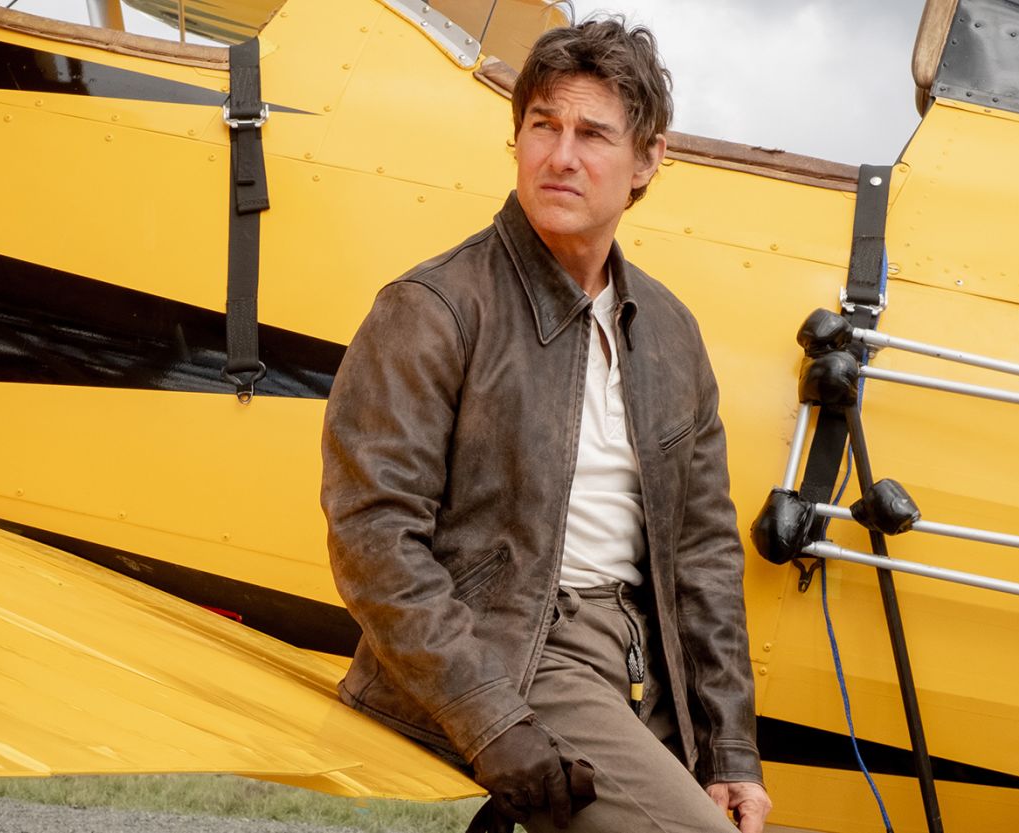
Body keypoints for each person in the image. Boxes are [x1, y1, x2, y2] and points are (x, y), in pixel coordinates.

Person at [321, 16, 771, 833]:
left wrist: (730, 750)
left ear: (647, 161)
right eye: (542, 126)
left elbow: (703, 553)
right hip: (514, 652)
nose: (561, 156)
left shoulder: (672, 333)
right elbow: (373, 537)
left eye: (593, 134)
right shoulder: (432, 308)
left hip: (644, 665)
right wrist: (490, 716)